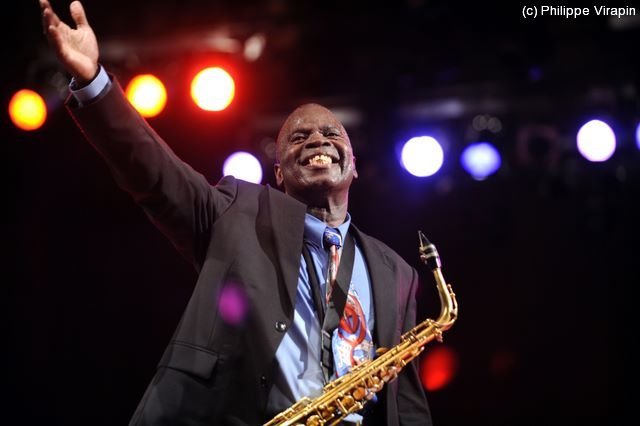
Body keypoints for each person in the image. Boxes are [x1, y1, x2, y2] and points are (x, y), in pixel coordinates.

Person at [39, 1, 433, 425]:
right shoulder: (238, 211)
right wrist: (94, 82)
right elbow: (155, 171)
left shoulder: (397, 272)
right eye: (299, 137)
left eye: (330, 133)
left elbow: (405, 402)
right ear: (278, 173)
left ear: (353, 165)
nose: (317, 140)